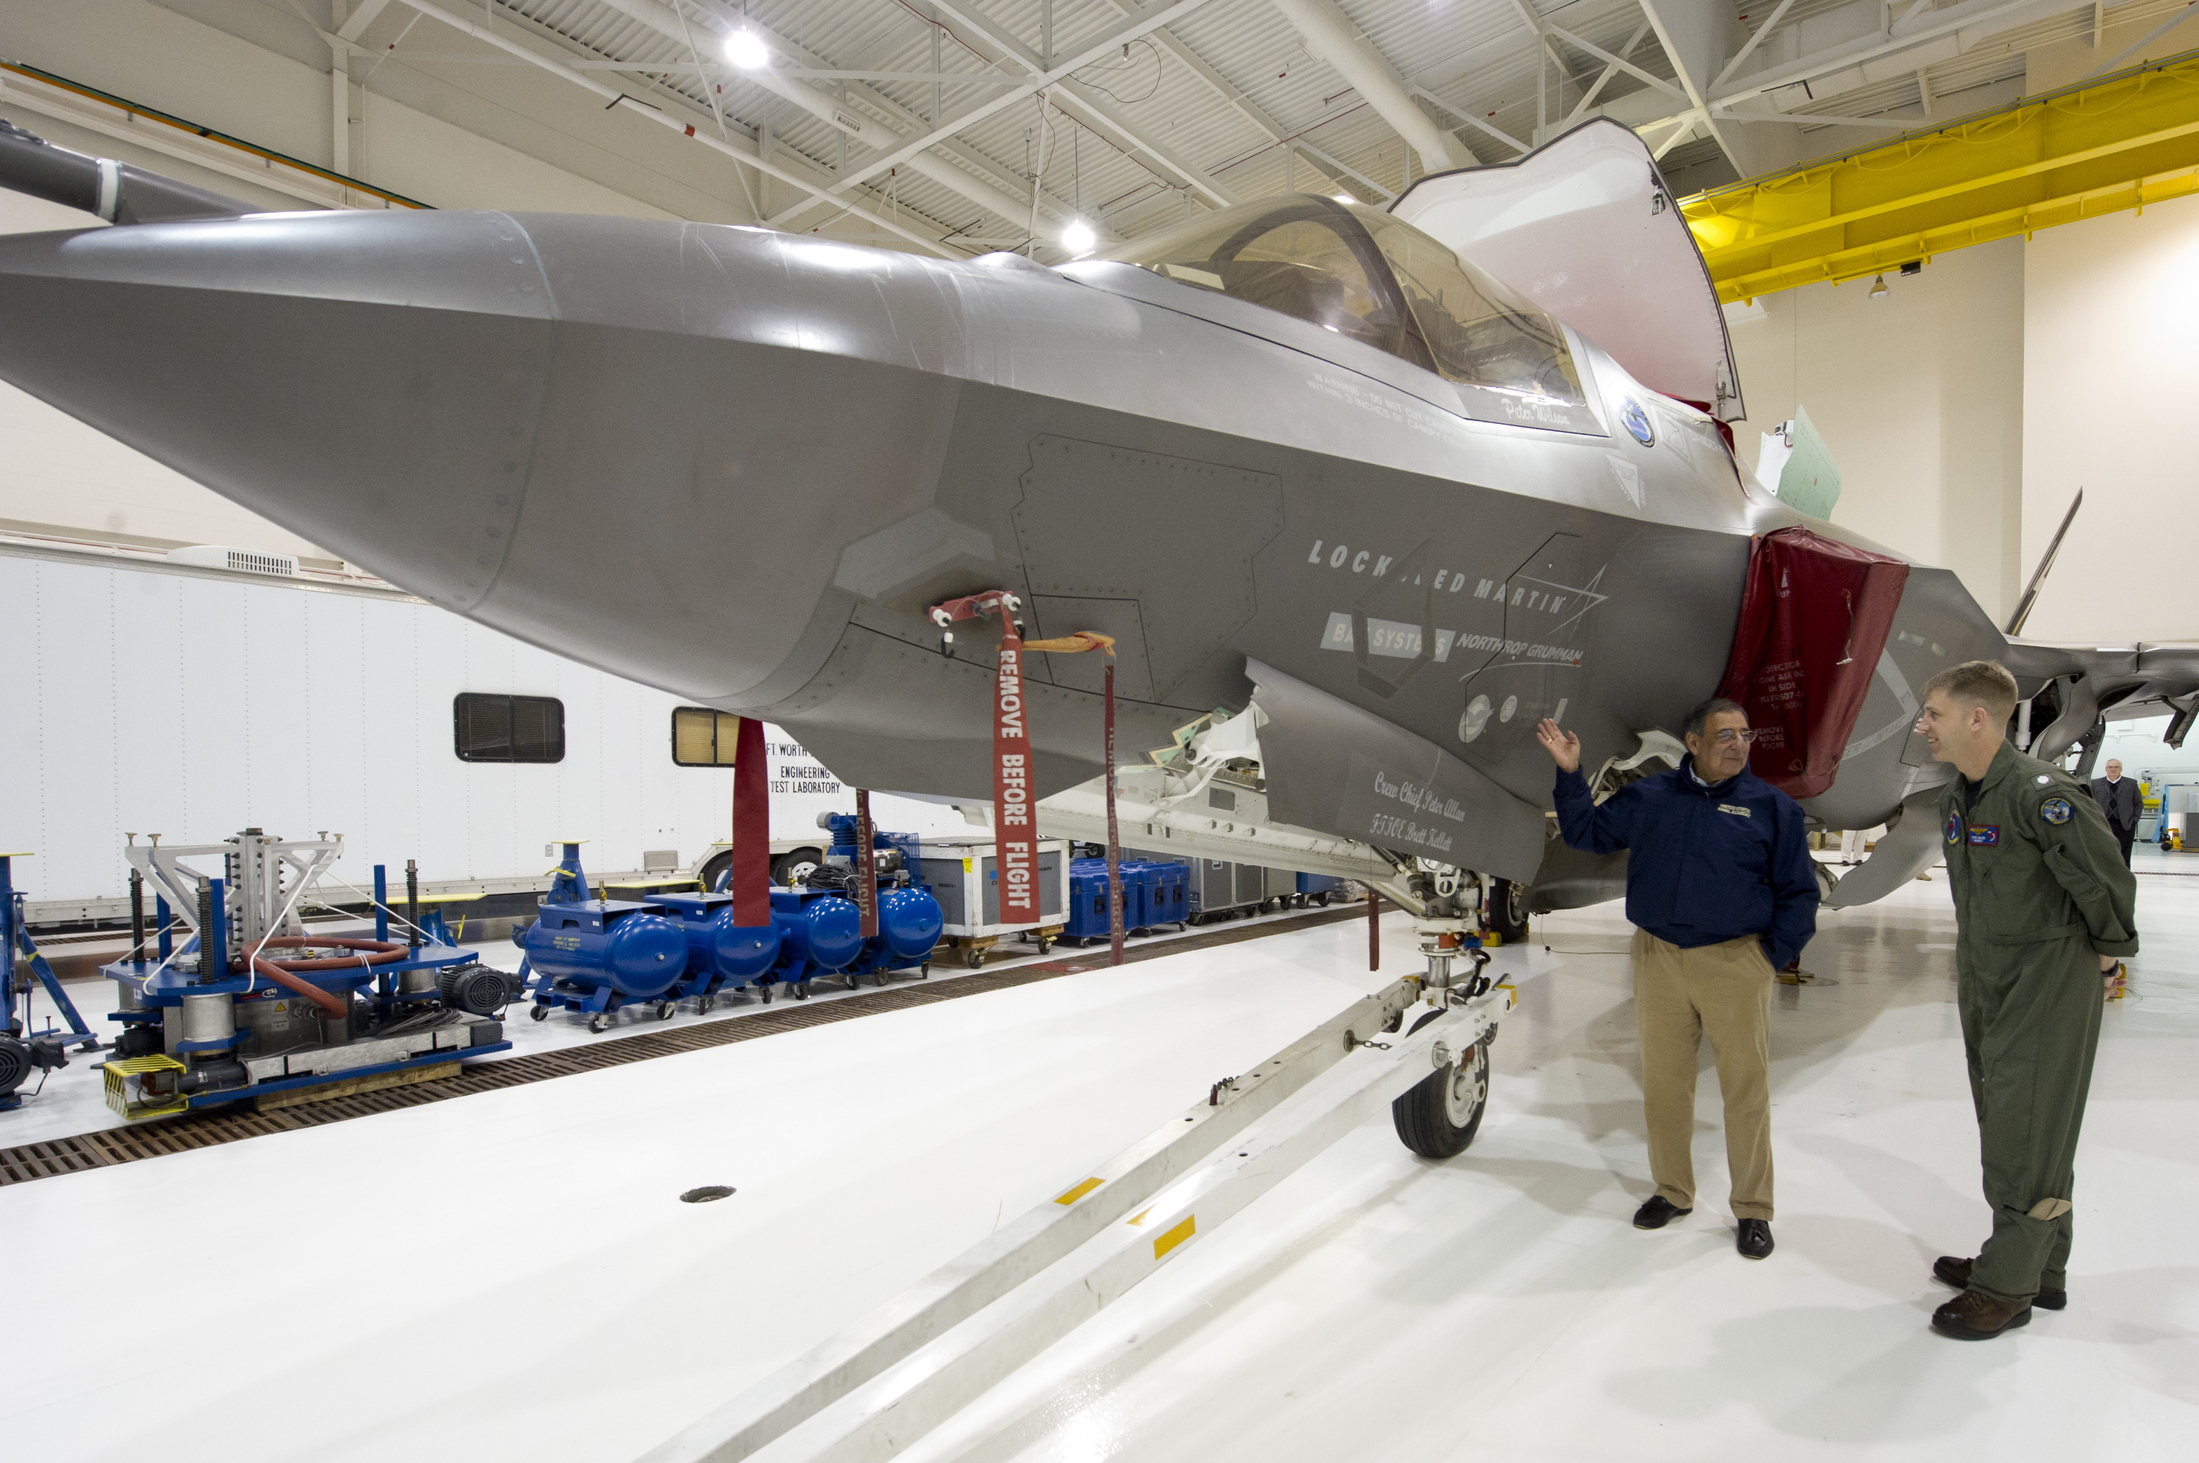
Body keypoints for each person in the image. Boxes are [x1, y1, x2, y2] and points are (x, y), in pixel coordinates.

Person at [1535, 698, 1819, 1260]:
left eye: (1744, 734)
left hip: (1736, 962)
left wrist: (1769, 958)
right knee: (1665, 1085)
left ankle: (1753, 1209)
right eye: (1725, 735)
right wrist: (1569, 775)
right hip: (1659, 958)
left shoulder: (1772, 808)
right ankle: (1673, 1190)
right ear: (1693, 743)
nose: (1738, 744)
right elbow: (1586, 834)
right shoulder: (1651, 797)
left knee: (1745, 1091)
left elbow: (1799, 893)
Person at [1913, 661, 2137, 1340]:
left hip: (2044, 979)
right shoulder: (1964, 794)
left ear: (1976, 718)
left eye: (1934, 713)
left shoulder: (2042, 794)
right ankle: (2043, 1268)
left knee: (2023, 1128)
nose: (1922, 725)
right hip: (1989, 977)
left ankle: (2005, 1285)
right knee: (2023, 1123)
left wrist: (2105, 950)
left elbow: (2105, 880)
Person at [2089, 758, 2140, 868]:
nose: (2113, 769)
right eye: (2110, 767)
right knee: (2102, 853)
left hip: (2125, 825)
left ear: (2121, 769)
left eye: (2116, 767)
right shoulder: (2095, 784)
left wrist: (2134, 821)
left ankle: (2124, 878)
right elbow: (2090, 803)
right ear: (2106, 769)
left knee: (2124, 854)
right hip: (2102, 824)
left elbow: (2138, 804)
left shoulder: (2131, 784)